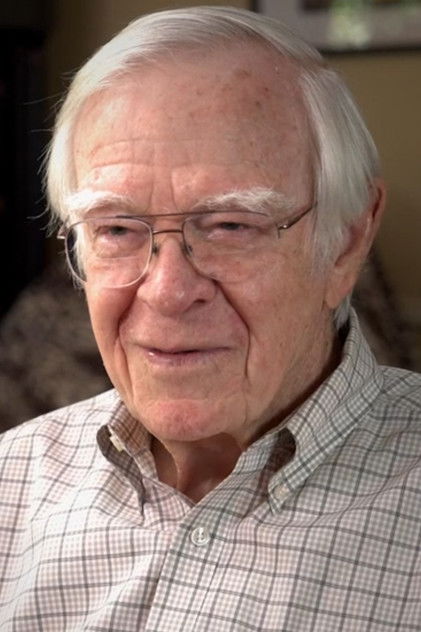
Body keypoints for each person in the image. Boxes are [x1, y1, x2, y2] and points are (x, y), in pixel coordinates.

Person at [0, 5, 420, 630]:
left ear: (348, 239)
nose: (168, 291)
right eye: (116, 229)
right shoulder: (11, 483)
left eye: (229, 225)